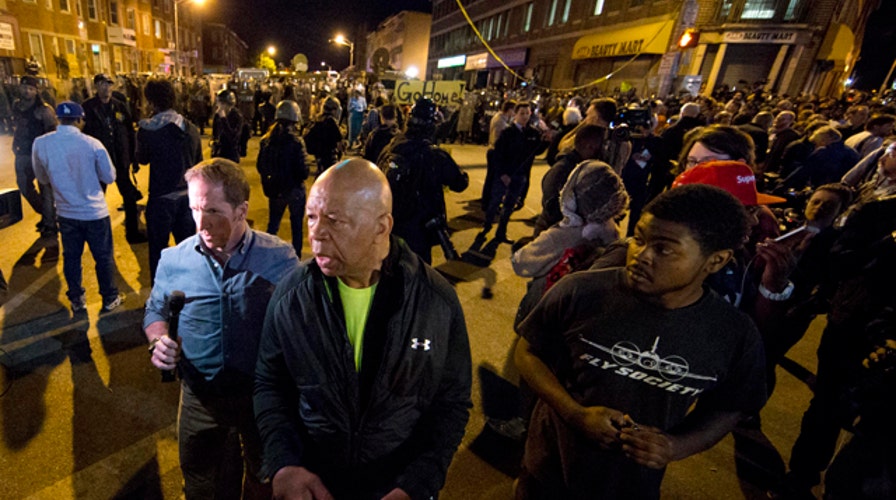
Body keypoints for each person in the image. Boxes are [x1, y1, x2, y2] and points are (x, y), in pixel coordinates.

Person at [514, 184, 767, 499]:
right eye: (639, 238)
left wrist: (676, 446)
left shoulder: (733, 334)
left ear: (715, 261)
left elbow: (731, 407)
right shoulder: (581, 292)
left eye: (663, 248)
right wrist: (574, 413)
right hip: (547, 471)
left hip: (632, 487)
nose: (641, 256)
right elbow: (528, 351)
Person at [254, 158, 472, 499]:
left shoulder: (435, 301)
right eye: (311, 216)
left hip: (394, 483)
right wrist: (283, 462)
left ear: (381, 227)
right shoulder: (290, 297)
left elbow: (452, 403)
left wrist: (418, 484)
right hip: (315, 483)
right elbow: (269, 383)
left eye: (334, 220)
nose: (316, 232)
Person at [145, 158, 298, 499]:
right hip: (200, 396)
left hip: (260, 395)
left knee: (263, 477)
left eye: (213, 210)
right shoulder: (173, 259)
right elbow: (155, 309)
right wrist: (159, 340)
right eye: (195, 209)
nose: (200, 222)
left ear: (241, 210)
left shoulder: (281, 258)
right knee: (201, 482)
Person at [31, 101, 123, 313]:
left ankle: (76, 299)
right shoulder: (92, 144)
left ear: (58, 120)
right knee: (103, 257)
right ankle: (109, 297)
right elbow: (109, 176)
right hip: (94, 213)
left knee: (71, 258)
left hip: (66, 212)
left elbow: (41, 177)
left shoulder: (41, 143)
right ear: (80, 120)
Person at [378, 97, 469, 263]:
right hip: (419, 230)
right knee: (417, 278)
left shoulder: (391, 146)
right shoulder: (434, 155)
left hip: (390, 225)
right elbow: (460, 183)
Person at [136, 78, 203, 282]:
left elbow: (141, 158)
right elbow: (199, 162)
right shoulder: (190, 127)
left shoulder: (148, 129)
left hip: (161, 198)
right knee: (189, 250)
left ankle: (161, 295)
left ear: (151, 101)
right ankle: (189, 290)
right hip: (187, 198)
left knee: (158, 251)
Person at [473, 102, 548, 254]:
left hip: (520, 176)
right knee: (495, 201)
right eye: (522, 113)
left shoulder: (532, 133)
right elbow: (498, 155)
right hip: (505, 175)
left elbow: (536, 151)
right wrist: (502, 174)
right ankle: (487, 225)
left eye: (527, 113)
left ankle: (501, 232)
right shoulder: (508, 132)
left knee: (509, 206)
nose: (525, 116)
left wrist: (545, 140)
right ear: (515, 114)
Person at [82, 73, 146, 243]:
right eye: (102, 84)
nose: (106, 87)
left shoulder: (119, 106)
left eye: (109, 84)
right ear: (96, 86)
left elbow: (130, 133)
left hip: (120, 160)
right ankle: (96, 236)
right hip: (98, 161)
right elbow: (82, 136)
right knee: (96, 199)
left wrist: (133, 158)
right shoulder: (88, 107)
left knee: (129, 197)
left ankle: (132, 233)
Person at [533, 124, 607, 236]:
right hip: (553, 235)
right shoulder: (563, 170)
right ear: (590, 146)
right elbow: (552, 209)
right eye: (601, 146)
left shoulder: (580, 168)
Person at [256, 100, 309, 255]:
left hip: (275, 189)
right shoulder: (296, 142)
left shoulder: (266, 140)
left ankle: (266, 256)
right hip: (294, 190)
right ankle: (296, 257)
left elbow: (261, 166)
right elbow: (303, 171)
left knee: (273, 224)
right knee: (296, 226)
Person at [11, 75, 57, 236]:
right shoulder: (17, 106)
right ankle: (46, 214)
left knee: (45, 188)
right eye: (24, 88)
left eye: (31, 88)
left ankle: (50, 224)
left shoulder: (44, 110)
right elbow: (17, 128)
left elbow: (52, 133)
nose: (27, 91)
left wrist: (50, 155)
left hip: (40, 154)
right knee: (24, 185)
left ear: (36, 91)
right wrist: (14, 144)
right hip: (22, 153)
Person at [304, 96, 344, 175]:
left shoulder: (317, 118)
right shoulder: (331, 122)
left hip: (319, 157)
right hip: (330, 158)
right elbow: (340, 144)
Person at [211, 88, 244, 163]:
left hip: (231, 154)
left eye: (220, 103)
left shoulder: (236, 116)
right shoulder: (217, 115)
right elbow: (215, 133)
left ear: (226, 104)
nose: (217, 105)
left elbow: (233, 137)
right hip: (218, 153)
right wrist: (213, 142)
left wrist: (224, 119)